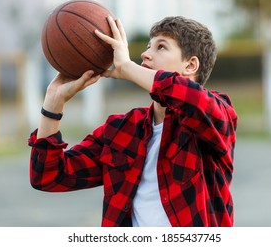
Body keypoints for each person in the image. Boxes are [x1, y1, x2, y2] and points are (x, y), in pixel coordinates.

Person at [28, 16, 238, 227]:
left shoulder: (217, 114)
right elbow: (48, 175)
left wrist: (127, 68)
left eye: (161, 47)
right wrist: (53, 105)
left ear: (191, 65)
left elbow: (189, 97)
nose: (145, 54)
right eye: (148, 46)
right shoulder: (121, 130)